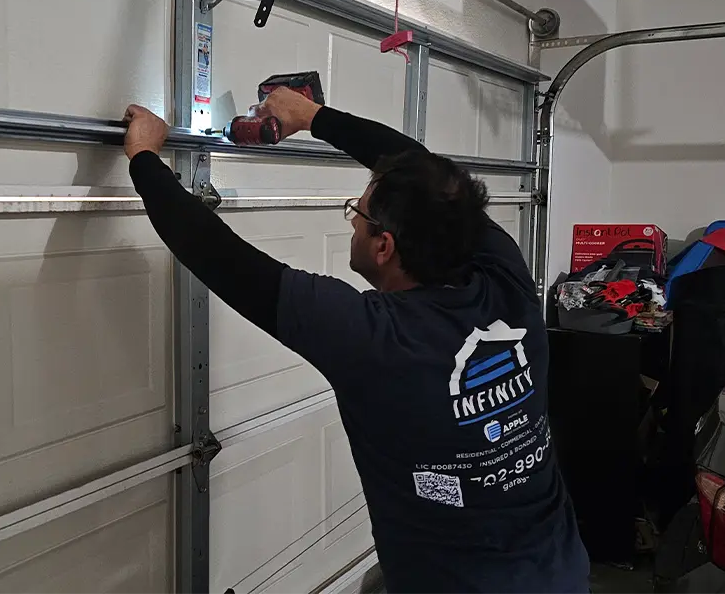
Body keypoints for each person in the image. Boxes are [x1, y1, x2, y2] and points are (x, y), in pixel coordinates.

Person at [122, 87, 590, 594]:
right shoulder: (508, 281)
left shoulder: (374, 338)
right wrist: (314, 117)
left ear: (384, 246)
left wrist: (145, 157)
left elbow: (216, 252)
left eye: (357, 214)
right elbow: (425, 171)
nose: (352, 222)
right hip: (560, 572)